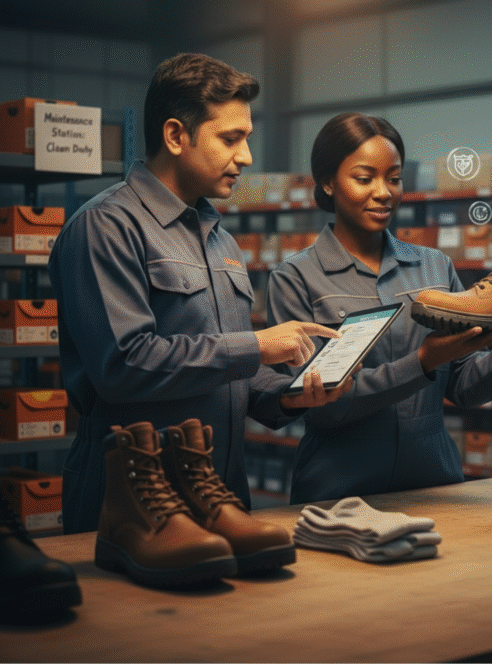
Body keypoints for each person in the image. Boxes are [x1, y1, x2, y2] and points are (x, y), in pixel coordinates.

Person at [49, 53, 350, 534]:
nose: (246, 157)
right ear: (175, 136)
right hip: (135, 508)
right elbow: (123, 366)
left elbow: (228, 373)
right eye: (230, 139)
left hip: (221, 496)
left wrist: (294, 395)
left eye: (246, 138)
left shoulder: (220, 239)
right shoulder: (106, 227)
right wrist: (256, 345)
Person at [266, 112, 492, 503]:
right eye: (364, 178)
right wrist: (423, 362)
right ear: (328, 182)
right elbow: (319, 408)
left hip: (434, 487)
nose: (384, 192)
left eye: (394, 178)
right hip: (337, 493)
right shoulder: (295, 278)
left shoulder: (434, 266)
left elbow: (466, 387)